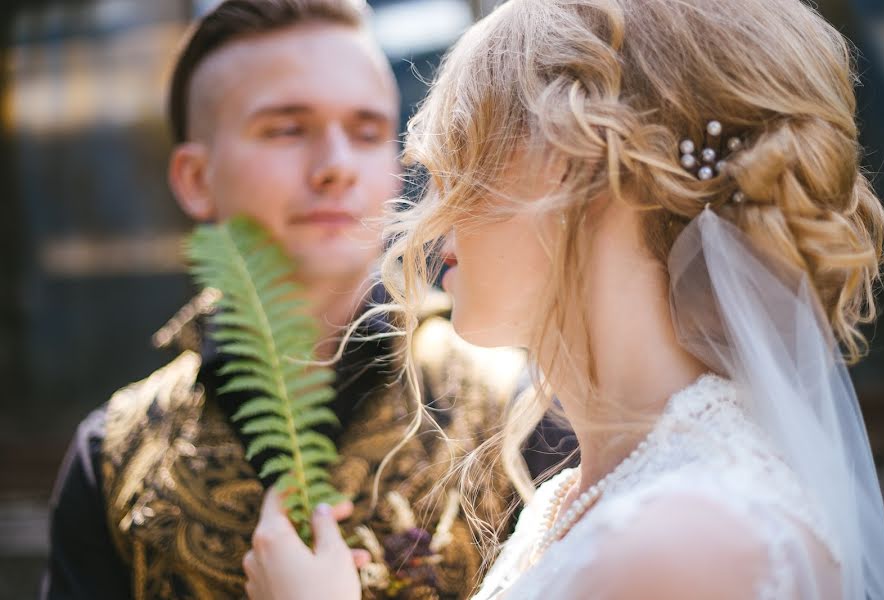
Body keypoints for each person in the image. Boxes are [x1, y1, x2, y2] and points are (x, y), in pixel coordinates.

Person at [242, 0, 884, 598]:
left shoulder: (687, 540)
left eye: (464, 155)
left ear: (578, 166)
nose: (431, 210)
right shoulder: (576, 497)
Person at [42, 1, 560, 598]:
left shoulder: (521, 414)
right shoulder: (112, 461)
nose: (337, 167)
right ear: (194, 179)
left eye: (367, 132)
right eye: (287, 129)